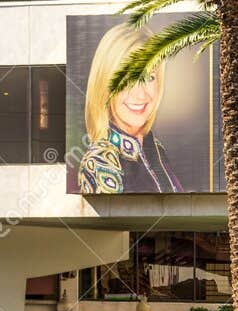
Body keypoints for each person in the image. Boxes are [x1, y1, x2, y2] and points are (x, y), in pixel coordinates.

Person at [77, 23, 181, 195]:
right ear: (104, 85)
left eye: (149, 76)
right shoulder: (100, 162)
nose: (140, 94)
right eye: (126, 79)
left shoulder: (156, 150)